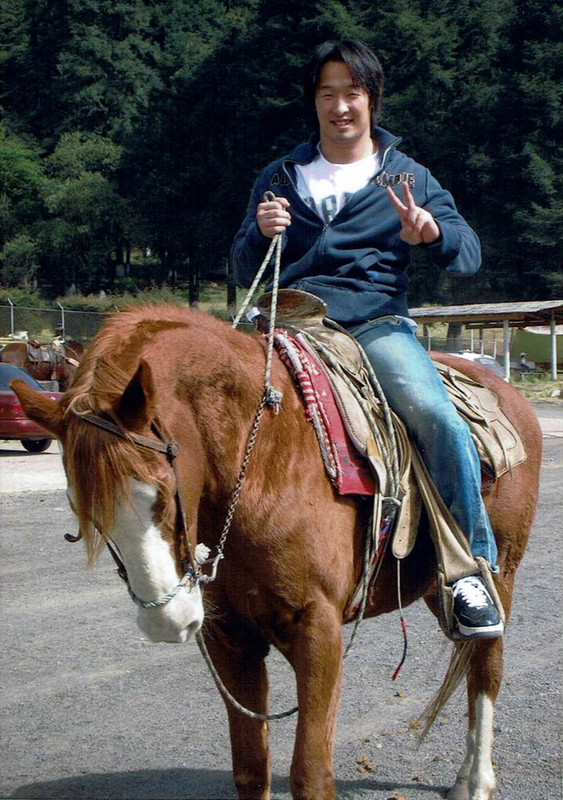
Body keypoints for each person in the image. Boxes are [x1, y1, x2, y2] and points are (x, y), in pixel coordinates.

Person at [231, 39, 502, 640]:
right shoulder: (280, 176)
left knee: (436, 417)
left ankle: (469, 570)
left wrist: (430, 232)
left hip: (372, 321)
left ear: (371, 100)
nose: (340, 106)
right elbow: (241, 263)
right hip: (288, 317)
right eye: (327, 93)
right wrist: (260, 231)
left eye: (351, 93)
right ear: (315, 103)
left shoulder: (407, 176)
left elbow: (469, 252)